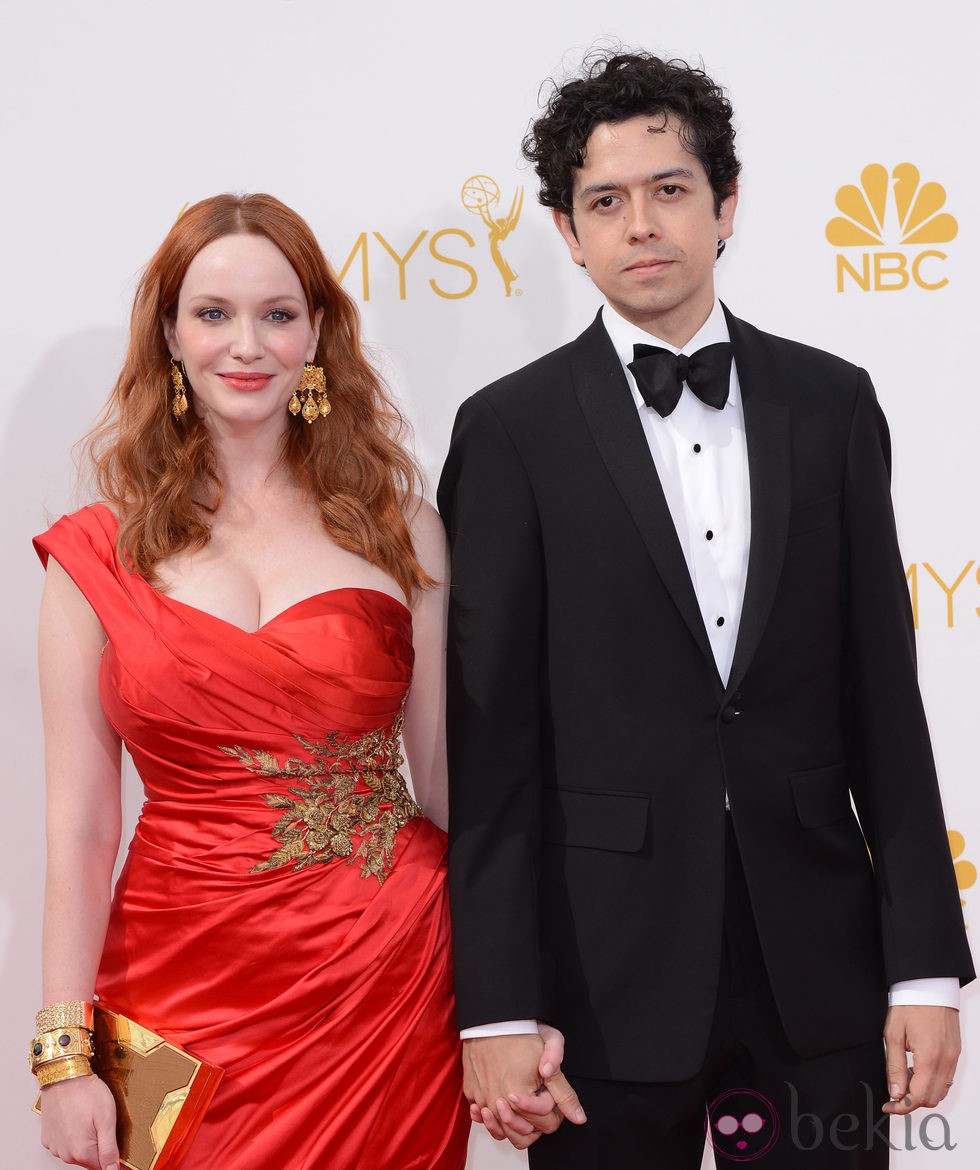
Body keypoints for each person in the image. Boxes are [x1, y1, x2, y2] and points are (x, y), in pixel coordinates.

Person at [438, 52, 975, 1168]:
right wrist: (493, 1005)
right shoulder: (508, 432)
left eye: (669, 189)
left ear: (726, 205)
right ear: (565, 231)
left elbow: (884, 696)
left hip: (816, 971)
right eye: (605, 201)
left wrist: (920, 965)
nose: (640, 223)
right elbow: (492, 748)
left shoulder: (831, 404)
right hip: (602, 973)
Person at [31, 193, 473, 1170]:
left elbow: (445, 783)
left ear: (317, 333)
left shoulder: (400, 526)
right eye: (214, 313)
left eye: (277, 315)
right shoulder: (91, 555)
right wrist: (64, 1058)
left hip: (384, 976)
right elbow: (78, 827)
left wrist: (527, 992)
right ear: (169, 333)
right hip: (171, 983)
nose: (247, 345)